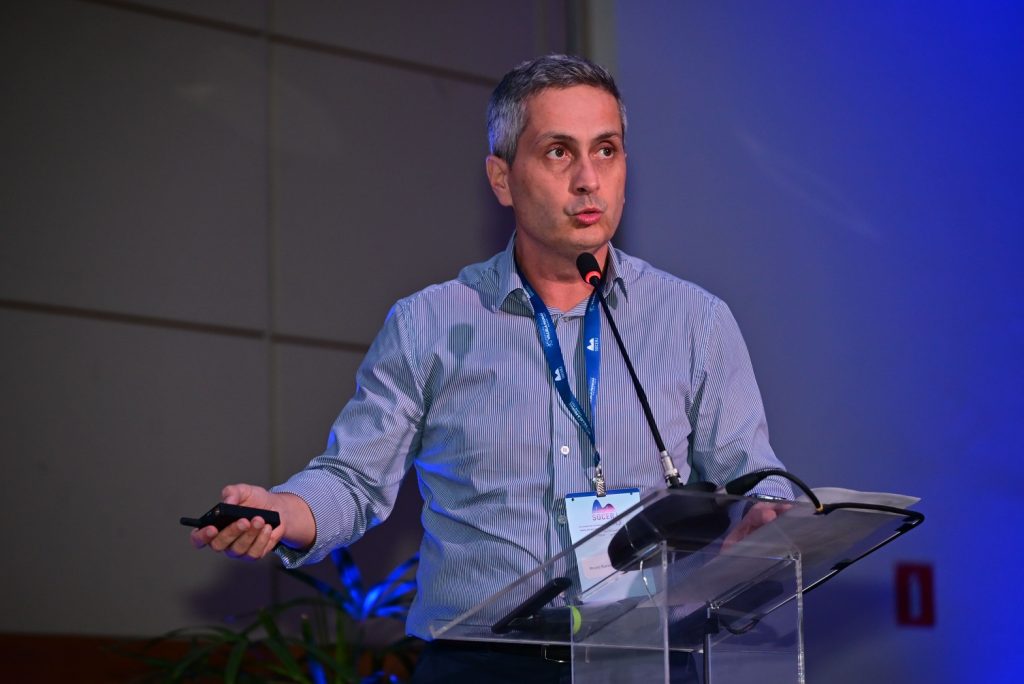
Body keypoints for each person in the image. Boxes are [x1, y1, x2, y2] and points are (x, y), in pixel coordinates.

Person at [190, 54, 791, 683]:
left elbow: (753, 477)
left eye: (606, 150)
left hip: (642, 664)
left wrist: (770, 514)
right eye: (559, 152)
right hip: (480, 665)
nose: (589, 179)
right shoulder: (429, 324)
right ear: (502, 178)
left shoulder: (695, 321)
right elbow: (355, 481)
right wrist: (282, 510)